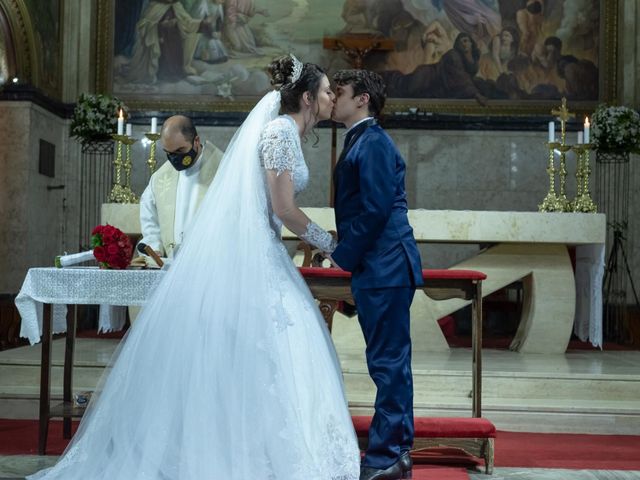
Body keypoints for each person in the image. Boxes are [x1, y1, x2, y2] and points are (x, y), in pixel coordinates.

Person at [27, 55, 360, 480]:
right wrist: (332, 243)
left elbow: (272, 208)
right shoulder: (279, 132)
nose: (334, 97)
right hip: (259, 257)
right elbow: (283, 207)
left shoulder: (285, 132)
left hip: (266, 251)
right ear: (309, 98)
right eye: (329, 90)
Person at [330, 69, 423, 480]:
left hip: (385, 263)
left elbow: (376, 209)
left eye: (340, 93)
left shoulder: (374, 142)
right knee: (385, 361)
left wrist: (342, 256)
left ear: (363, 98)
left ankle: (389, 455)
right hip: (378, 264)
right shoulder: (362, 140)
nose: (332, 99)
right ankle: (394, 451)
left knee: (389, 364)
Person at [139, 115, 224, 261]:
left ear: (196, 141)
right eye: (169, 153)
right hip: (170, 266)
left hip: (210, 262)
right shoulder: (160, 178)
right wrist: (154, 246)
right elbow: (150, 218)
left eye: (180, 151)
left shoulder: (224, 170)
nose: (175, 158)